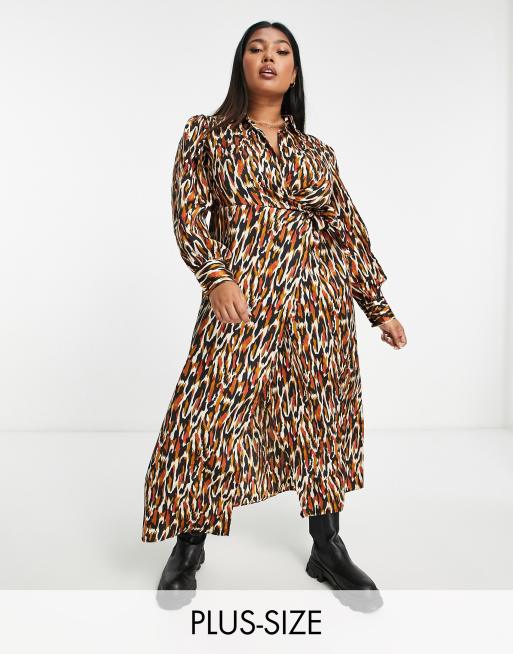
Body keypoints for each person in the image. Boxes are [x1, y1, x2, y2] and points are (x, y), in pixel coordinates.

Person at [142, 20, 407, 593]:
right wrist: (216, 278)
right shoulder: (207, 135)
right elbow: (188, 215)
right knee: (208, 416)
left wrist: (377, 306)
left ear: (293, 72)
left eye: (282, 51)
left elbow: (346, 228)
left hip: (318, 302)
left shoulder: (316, 152)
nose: (269, 57)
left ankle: (327, 547)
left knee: (322, 416)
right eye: (257, 48)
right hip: (243, 300)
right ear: (241, 63)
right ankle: (188, 546)